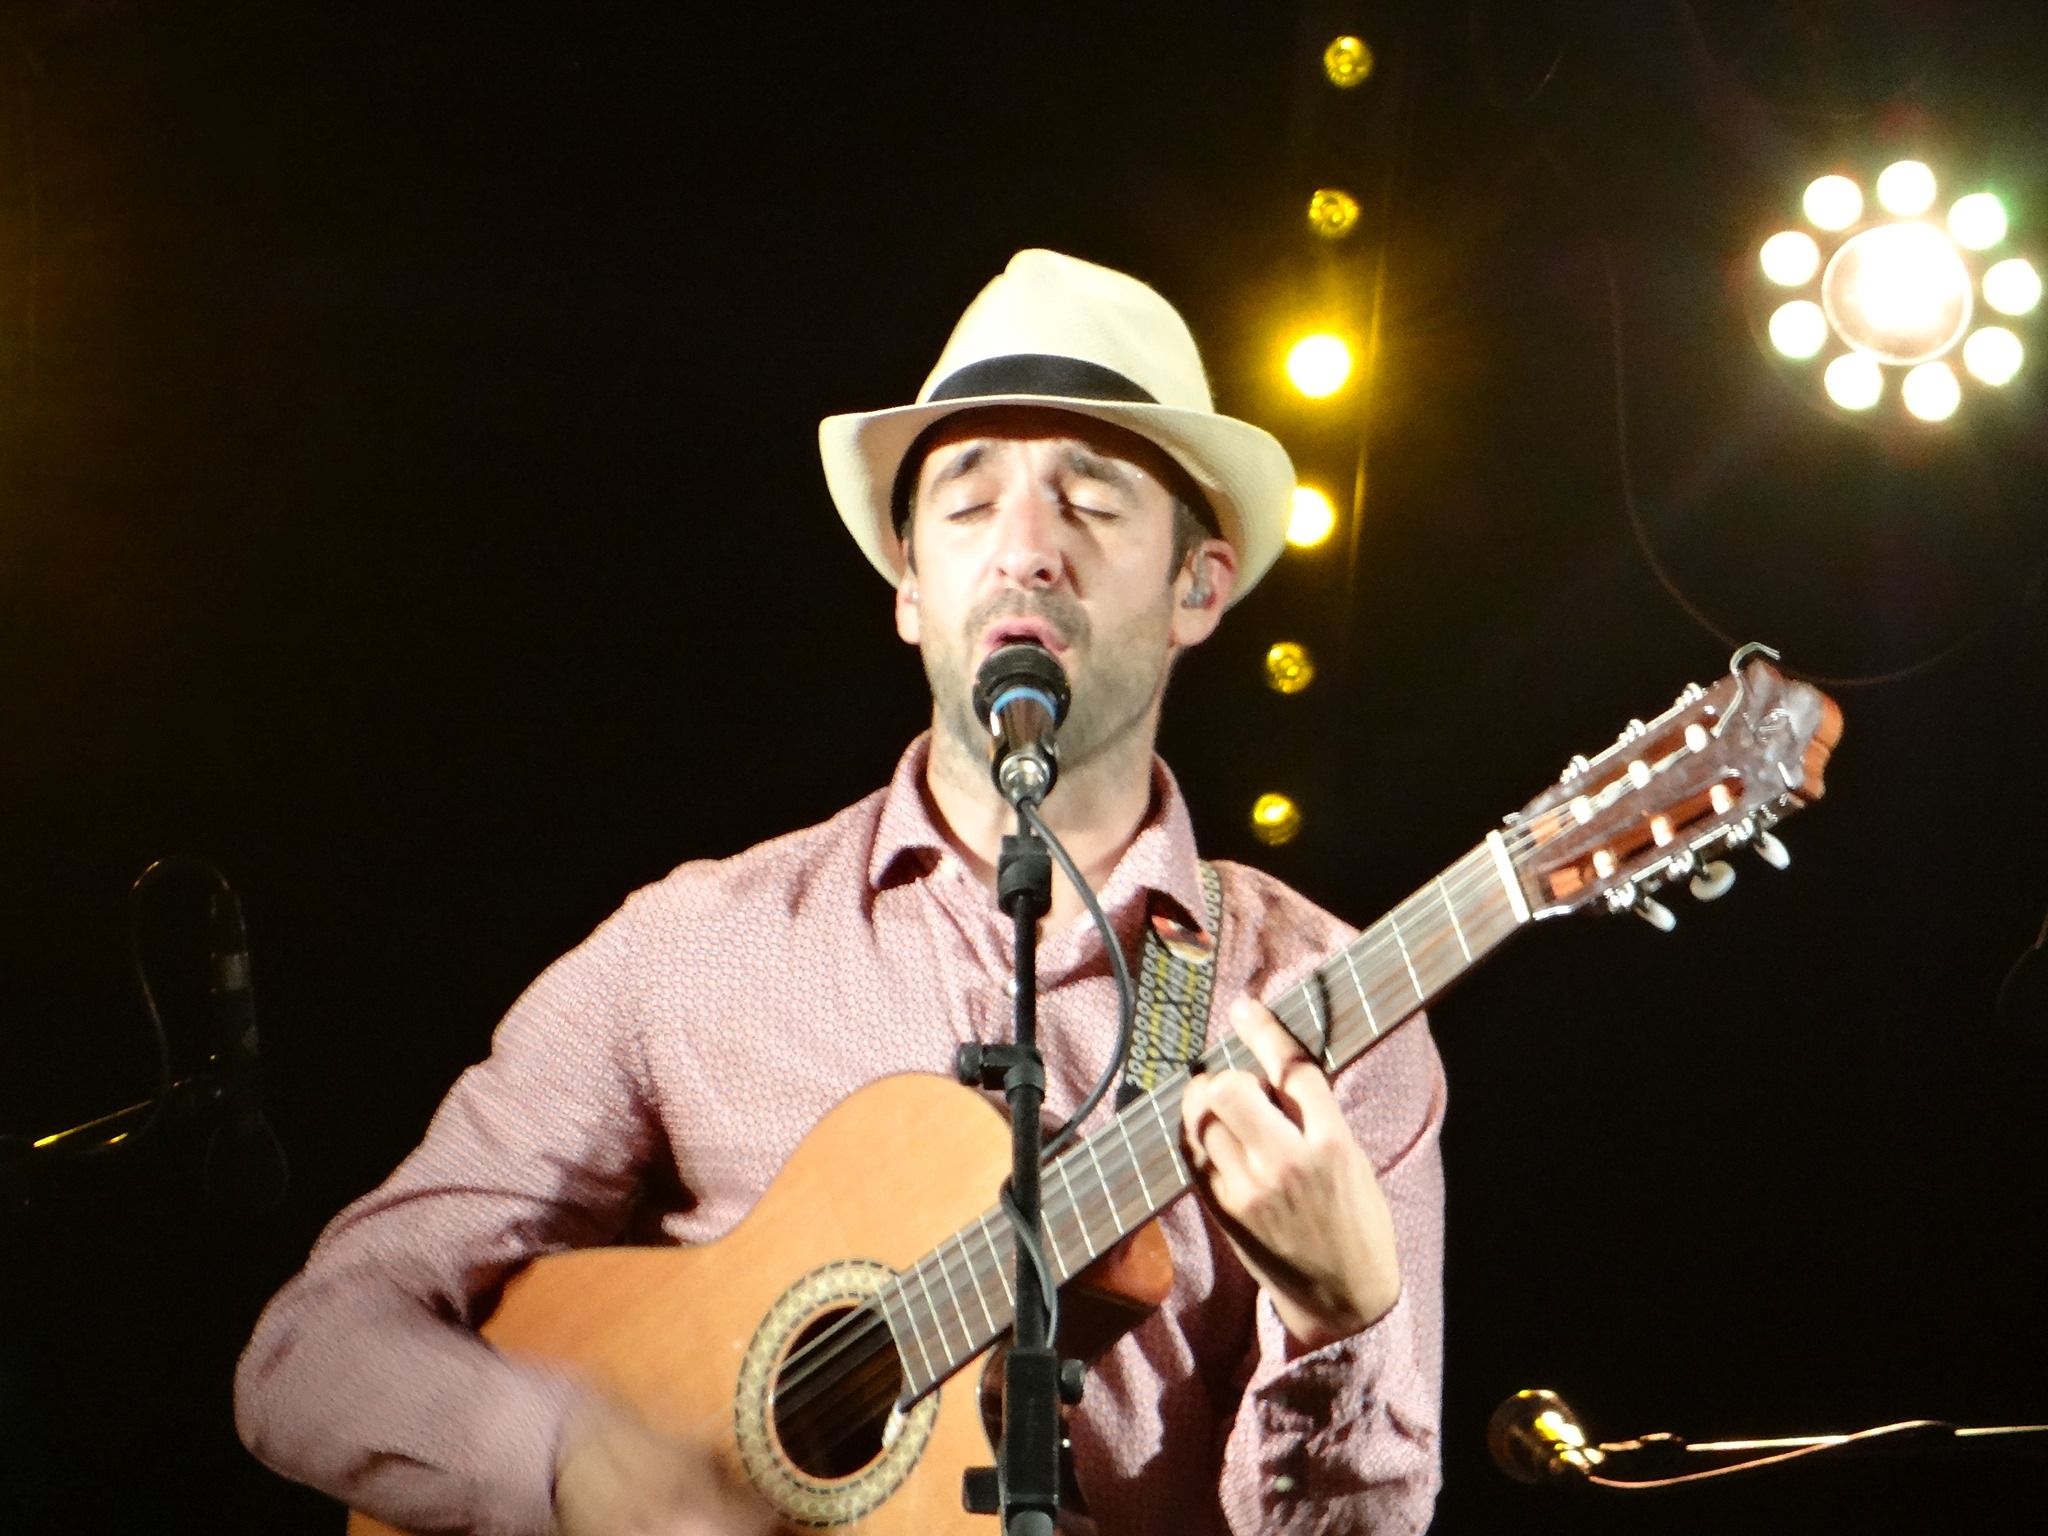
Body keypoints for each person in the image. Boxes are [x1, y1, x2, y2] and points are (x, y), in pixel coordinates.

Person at [235, 249, 1446, 1536]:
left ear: (1195, 586)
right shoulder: (691, 946)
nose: (1024, 550)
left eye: (1090, 501)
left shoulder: (1315, 1010)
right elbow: (316, 1350)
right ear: (909, 587)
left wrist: (1338, 1318)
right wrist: (566, 1461)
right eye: (967, 505)